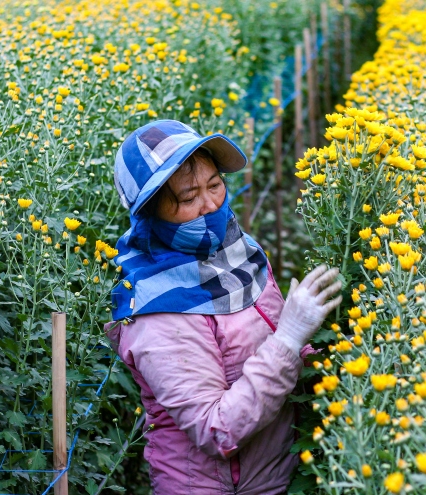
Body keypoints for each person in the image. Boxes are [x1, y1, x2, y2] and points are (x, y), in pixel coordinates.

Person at [103, 119, 342, 494]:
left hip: (275, 473)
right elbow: (217, 429)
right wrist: (290, 338)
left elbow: (279, 348)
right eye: (187, 197)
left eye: (215, 185)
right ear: (150, 211)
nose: (210, 205)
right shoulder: (158, 311)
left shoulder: (238, 252)